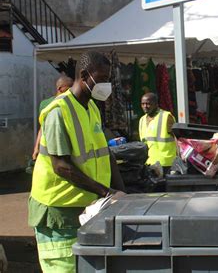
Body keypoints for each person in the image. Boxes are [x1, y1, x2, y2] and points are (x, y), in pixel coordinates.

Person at [28, 51, 125, 273]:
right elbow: (60, 165)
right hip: (58, 213)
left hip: (86, 208)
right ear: (84, 75)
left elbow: (105, 153)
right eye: (101, 78)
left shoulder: (91, 107)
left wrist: (122, 194)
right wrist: (106, 192)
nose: (106, 84)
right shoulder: (58, 112)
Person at [32, 75, 74, 160]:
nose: (70, 92)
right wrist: (36, 148)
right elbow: (42, 128)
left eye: (72, 90)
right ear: (59, 88)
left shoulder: (73, 103)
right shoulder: (46, 104)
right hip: (50, 147)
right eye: (68, 89)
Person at [139, 92, 177, 174]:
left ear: (156, 104)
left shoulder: (166, 116)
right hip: (150, 163)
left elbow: (177, 139)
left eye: (148, 104)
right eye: (143, 104)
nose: (145, 106)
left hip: (166, 164)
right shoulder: (142, 120)